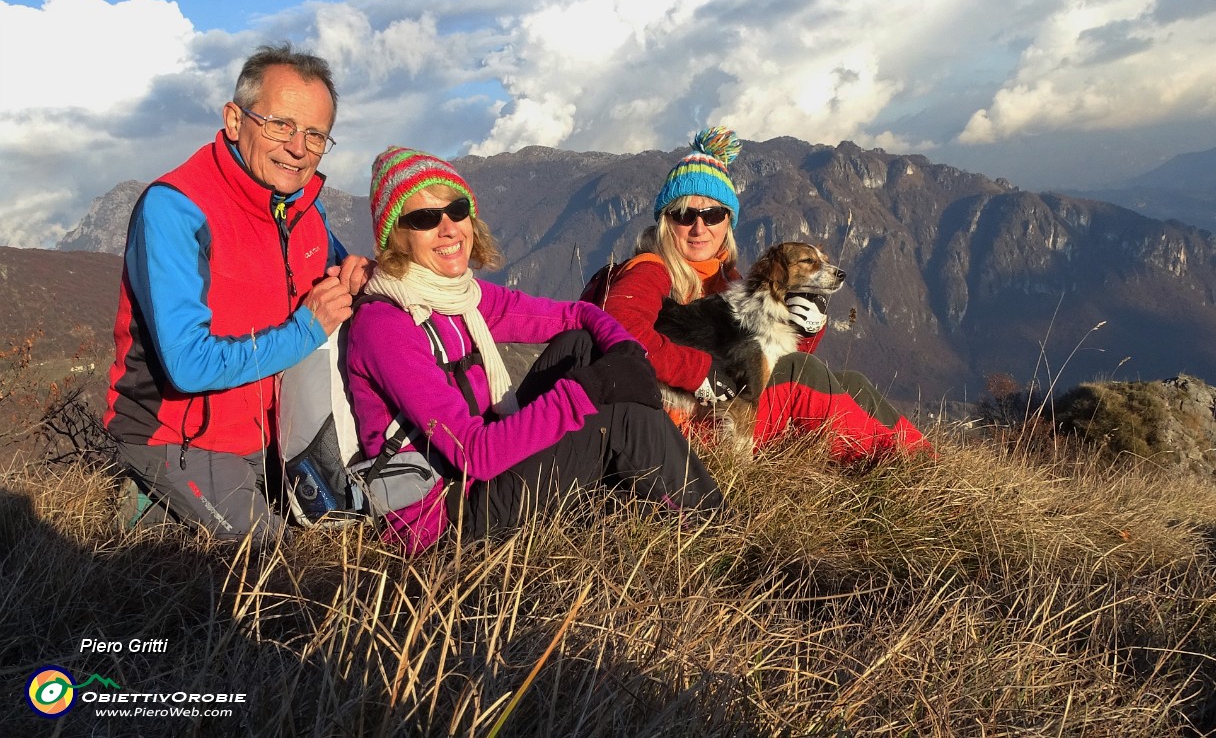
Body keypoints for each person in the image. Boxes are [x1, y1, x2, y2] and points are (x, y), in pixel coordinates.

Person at [345, 147, 724, 555]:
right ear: (395, 237)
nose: (449, 228)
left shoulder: (460, 298)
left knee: (579, 345)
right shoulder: (387, 327)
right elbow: (477, 453)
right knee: (620, 415)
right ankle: (717, 534)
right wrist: (594, 387)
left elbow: (575, 315)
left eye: (456, 209)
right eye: (424, 219)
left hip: (477, 480)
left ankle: (636, 489)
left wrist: (626, 352)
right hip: (445, 521)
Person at [106, 42, 372, 540]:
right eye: (281, 125)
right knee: (283, 575)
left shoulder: (301, 209)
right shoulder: (177, 209)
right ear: (234, 119)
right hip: (179, 435)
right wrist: (307, 328)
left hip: (273, 433)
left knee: (348, 534)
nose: (298, 147)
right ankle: (155, 501)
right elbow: (187, 364)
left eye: (316, 135)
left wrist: (356, 281)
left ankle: (165, 523)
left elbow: (338, 272)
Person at [590, 127, 929, 464]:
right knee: (802, 373)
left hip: (720, 411)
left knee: (850, 382)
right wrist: (698, 372)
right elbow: (620, 331)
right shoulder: (648, 270)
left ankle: (925, 461)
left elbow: (764, 359)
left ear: (728, 222)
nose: (699, 227)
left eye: (712, 214)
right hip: (677, 426)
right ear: (666, 221)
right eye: (683, 214)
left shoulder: (724, 278)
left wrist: (806, 329)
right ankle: (898, 465)